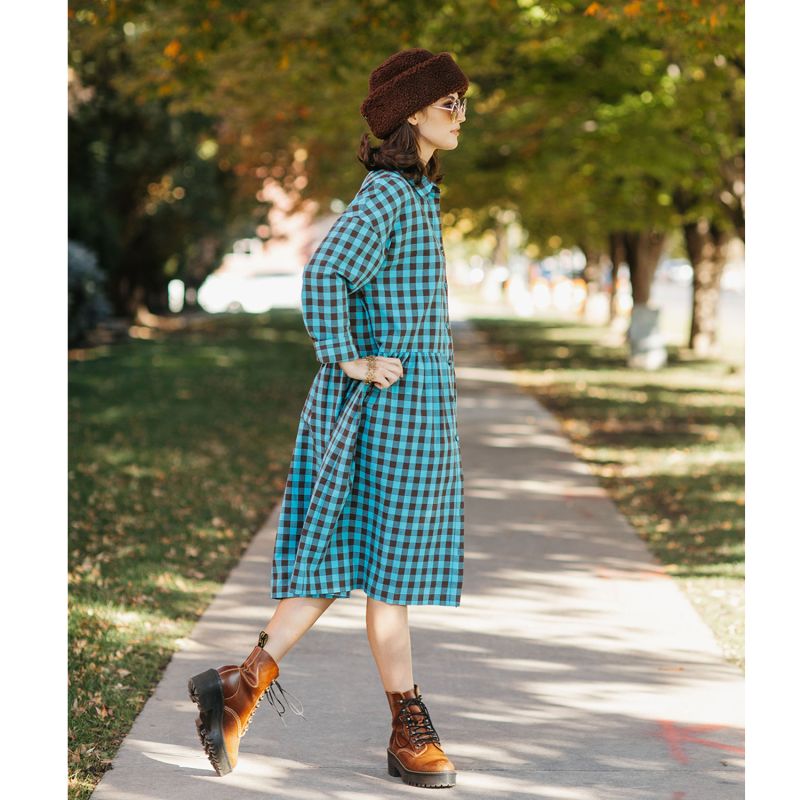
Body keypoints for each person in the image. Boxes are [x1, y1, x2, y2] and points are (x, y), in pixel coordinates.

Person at [188, 48, 469, 790]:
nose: (462, 116)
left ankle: (241, 687)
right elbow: (325, 273)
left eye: (464, 103)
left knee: (352, 565)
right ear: (413, 114)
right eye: (451, 105)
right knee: (388, 577)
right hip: (386, 415)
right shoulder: (387, 193)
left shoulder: (413, 196)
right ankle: (407, 730)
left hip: (410, 413)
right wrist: (348, 358)